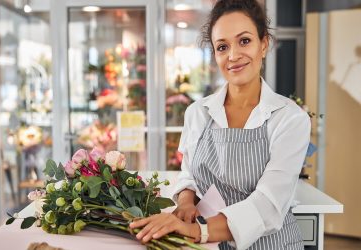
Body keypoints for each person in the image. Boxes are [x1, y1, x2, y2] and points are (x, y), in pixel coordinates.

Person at [130, 0, 310, 249]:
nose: (233, 55)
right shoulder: (198, 113)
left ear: (264, 44)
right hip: (209, 243)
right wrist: (185, 203)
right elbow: (189, 174)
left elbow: (268, 206)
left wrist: (196, 230)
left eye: (244, 41)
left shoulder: (289, 118)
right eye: (222, 47)